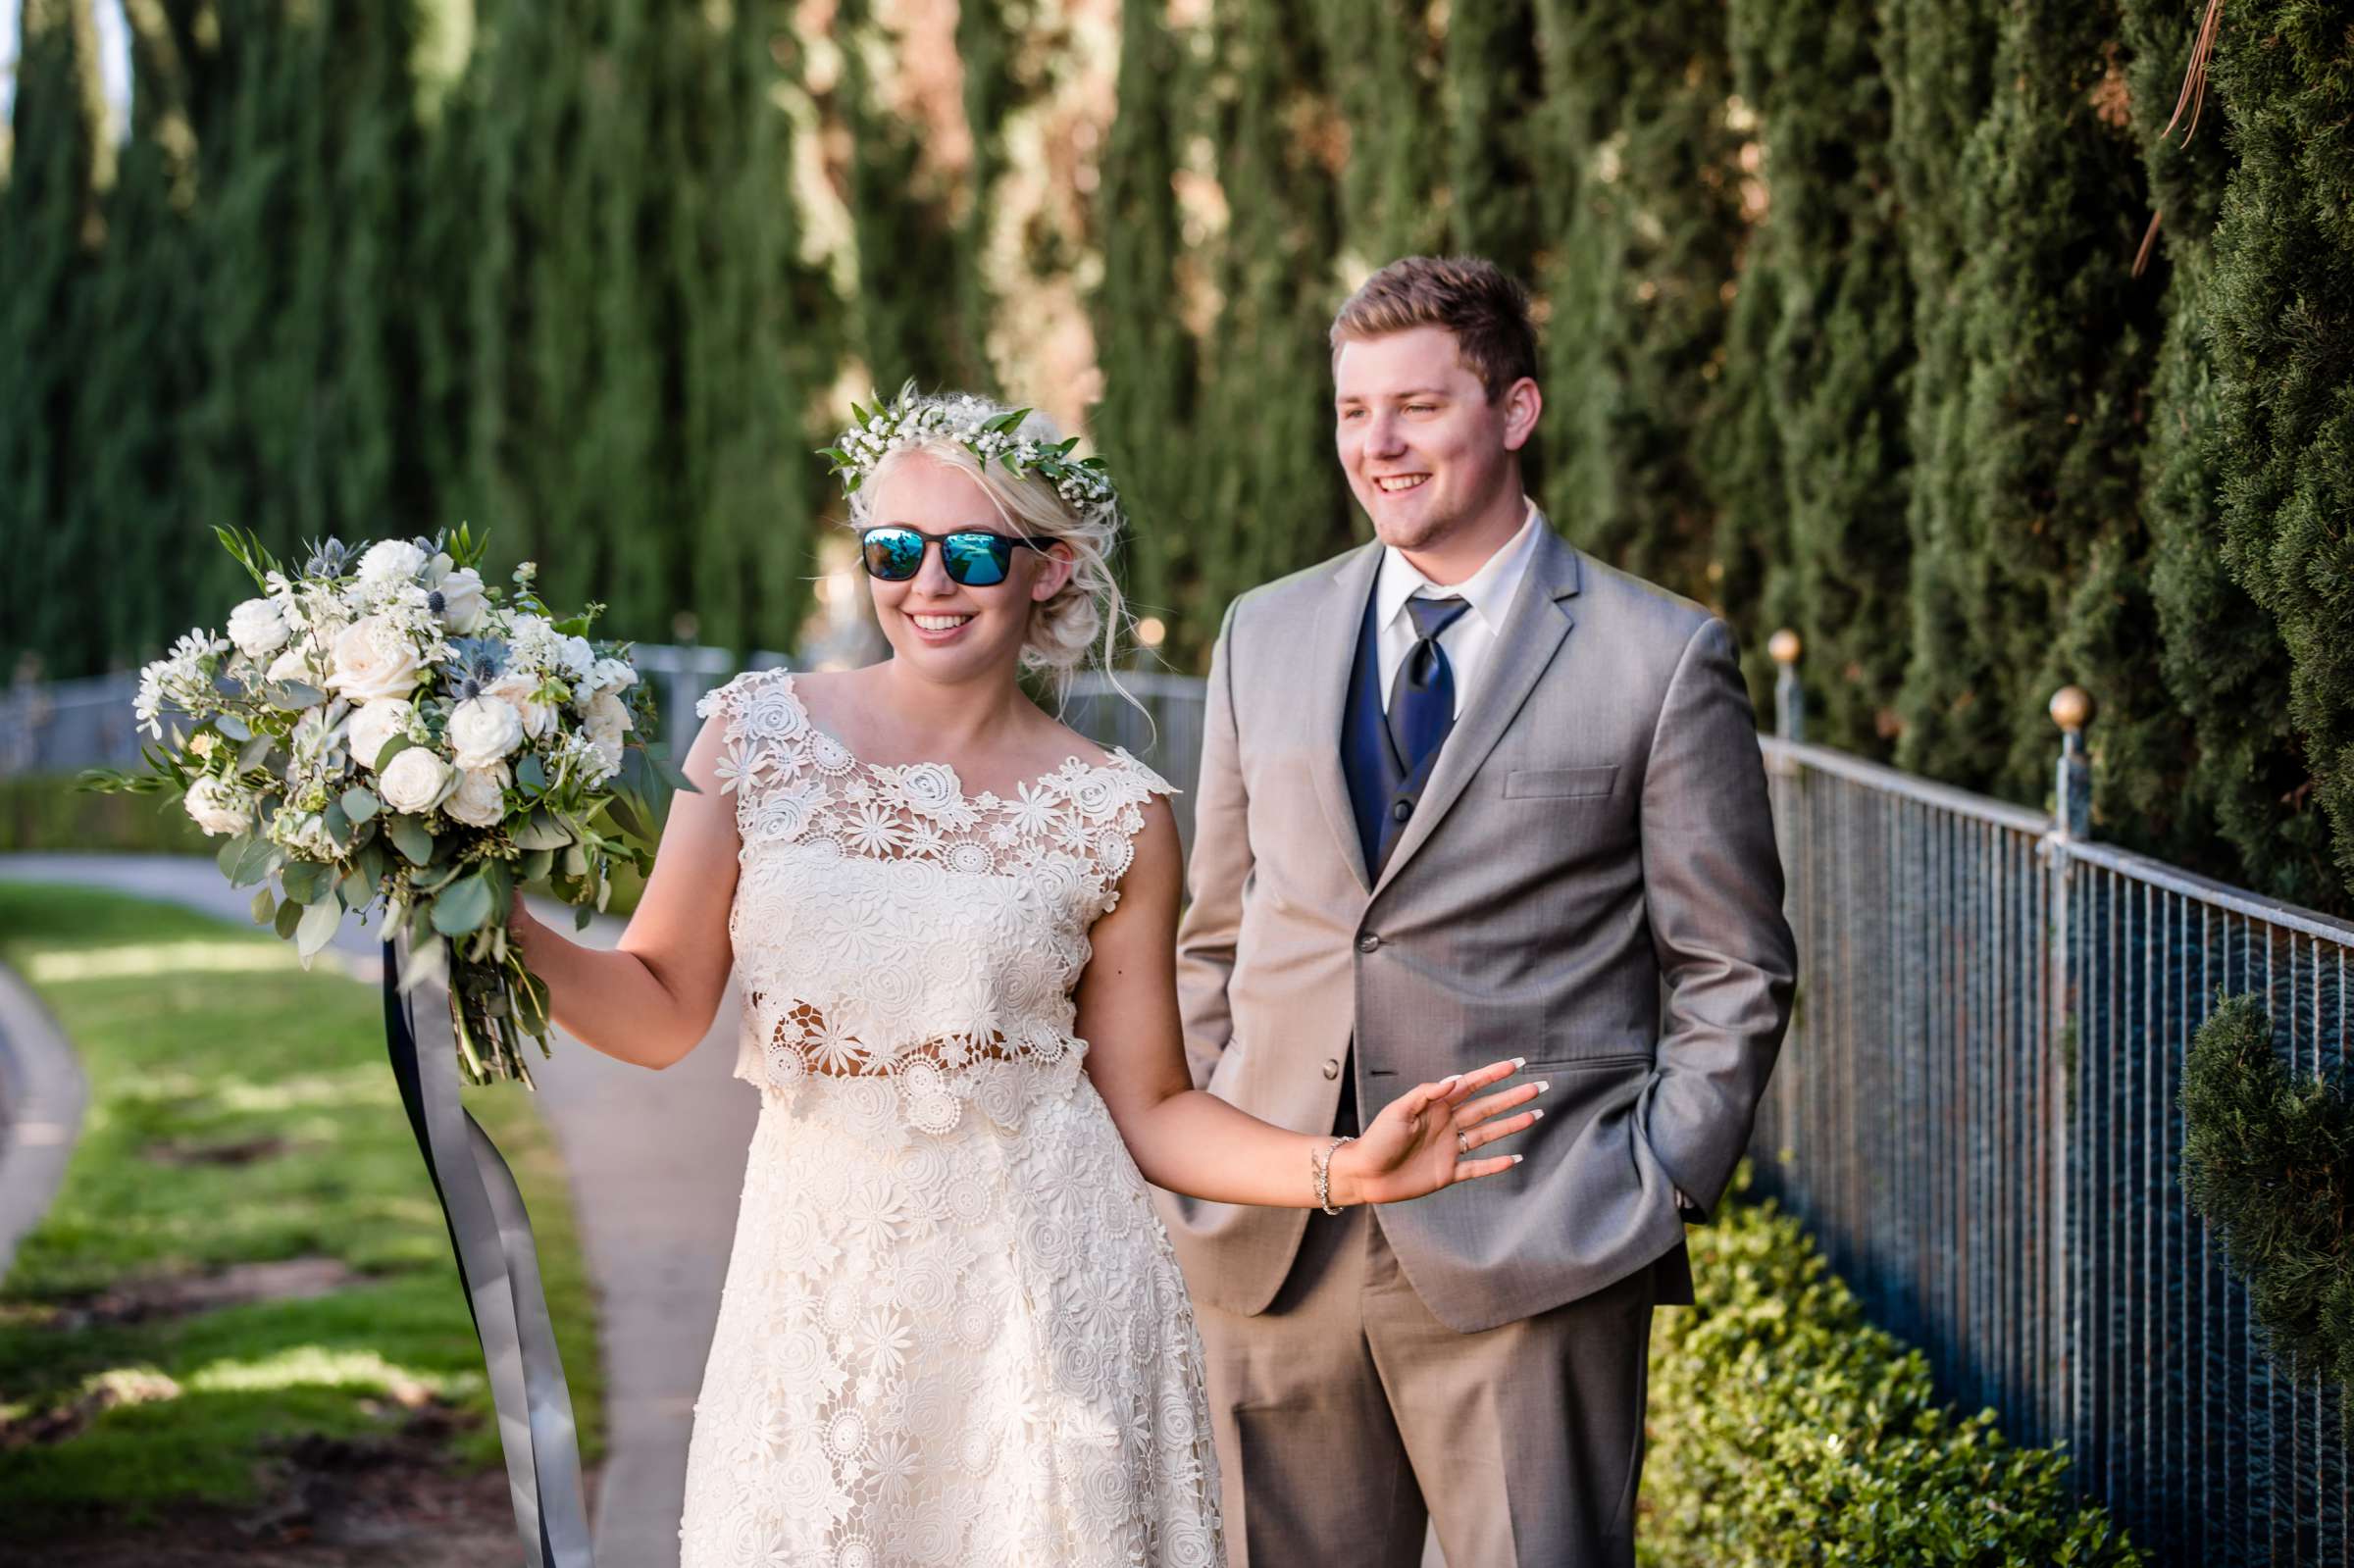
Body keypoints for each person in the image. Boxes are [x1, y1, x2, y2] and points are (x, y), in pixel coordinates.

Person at [505, 387, 1545, 1568]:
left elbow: (1151, 1107)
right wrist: (498, 922)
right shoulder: (752, 738)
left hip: (1047, 1286)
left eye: (972, 553)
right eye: (895, 550)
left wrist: (1343, 1171)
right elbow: (655, 1011)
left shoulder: (1116, 813)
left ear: (1048, 572)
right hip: (817, 1280)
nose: (929, 584)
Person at [1159, 256, 1797, 1567]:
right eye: (1352, 412)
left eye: (1417, 407)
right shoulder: (1261, 633)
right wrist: (1217, 1145)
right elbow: (1212, 932)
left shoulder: (1658, 653)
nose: (1378, 445)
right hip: (1276, 1238)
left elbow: (1733, 963)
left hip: (1533, 1241)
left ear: (1514, 411)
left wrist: (1650, 1180)